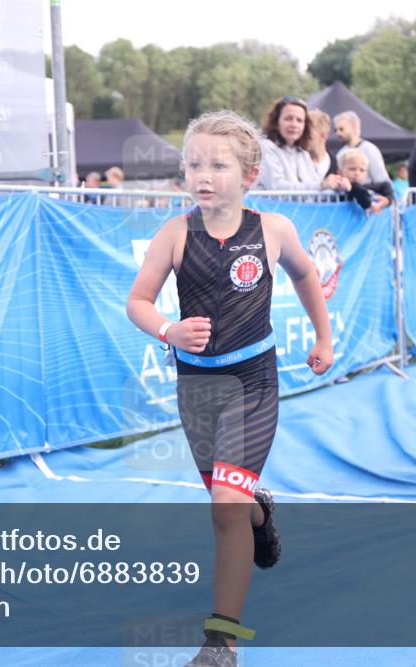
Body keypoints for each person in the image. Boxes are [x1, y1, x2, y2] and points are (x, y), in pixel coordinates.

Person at [126, 110, 333, 666]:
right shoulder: (174, 234)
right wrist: (170, 329)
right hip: (196, 388)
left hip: (253, 381)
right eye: (194, 163)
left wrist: (324, 339)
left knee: (223, 510)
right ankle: (259, 513)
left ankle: (221, 643)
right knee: (232, 505)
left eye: (219, 165)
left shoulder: (273, 230)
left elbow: (307, 275)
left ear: (250, 173)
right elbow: (138, 302)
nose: (204, 175)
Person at [254, 96, 322, 190]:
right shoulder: (266, 147)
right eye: (288, 118)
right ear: (276, 122)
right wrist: (320, 186)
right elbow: (276, 187)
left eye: (299, 120)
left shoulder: (304, 154)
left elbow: (316, 187)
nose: (294, 125)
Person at [333, 111, 389, 184]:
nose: (338, 133)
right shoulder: (341, 153)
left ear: (354, 128)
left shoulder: (369, 149)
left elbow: (382, 180)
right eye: (335, 130)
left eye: (341, 129)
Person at [338, 149, 393, 214]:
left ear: (366, 173)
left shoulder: (364, 186)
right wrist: (369, 204)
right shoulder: (338, 186)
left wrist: (387, 200)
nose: (357, 173)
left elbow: (385, 184)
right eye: (352, 169)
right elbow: (357, 189)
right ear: (340, 172)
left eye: (362, 170)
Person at [305, 109, 348, 190]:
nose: (303, 137)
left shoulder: (337, 164)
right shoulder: (296, 161)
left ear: (323, 135)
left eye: (308, 135)